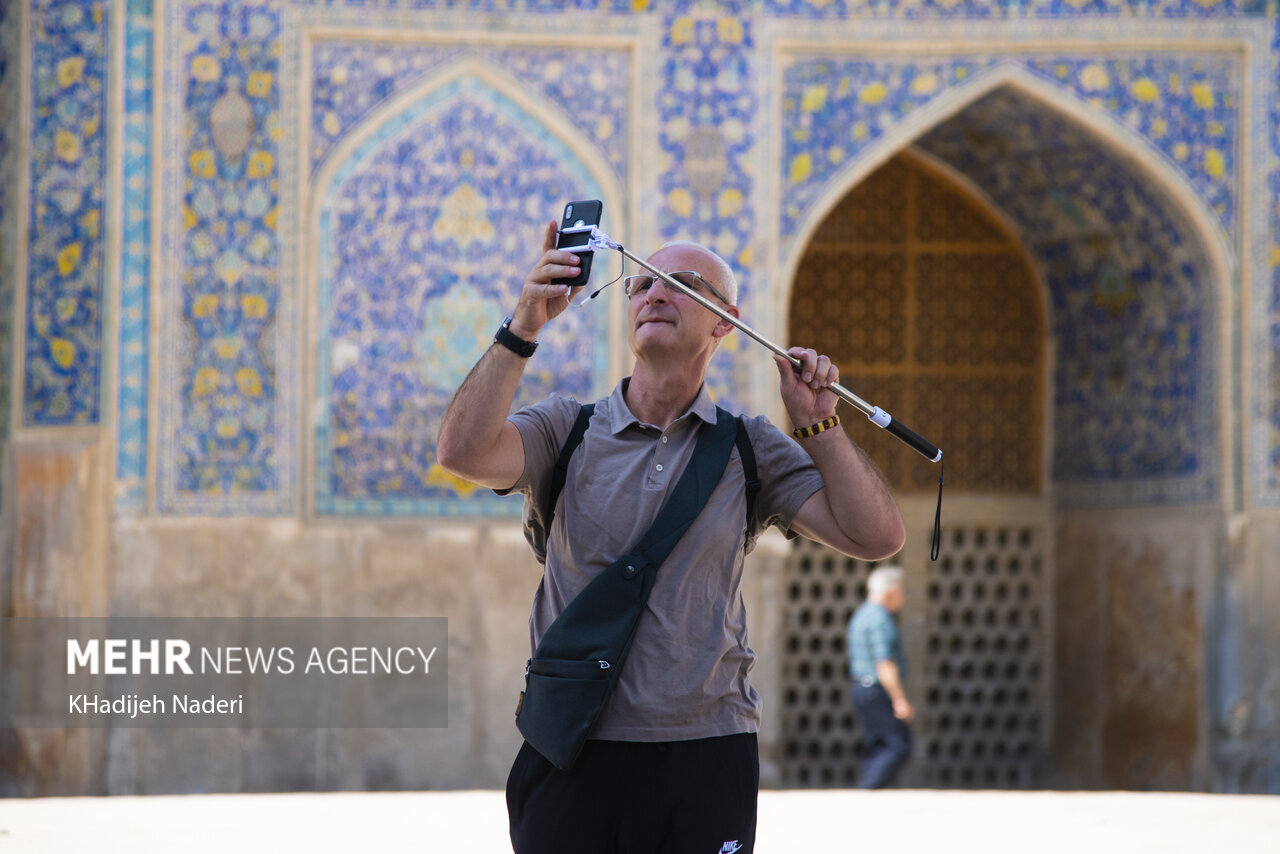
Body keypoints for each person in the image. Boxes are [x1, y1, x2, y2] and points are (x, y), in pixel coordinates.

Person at [437, 219, 905, 854]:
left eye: (680, 284)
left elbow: (875, 536)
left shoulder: (751, 446)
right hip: (573, 746)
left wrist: (819, 425)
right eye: (640, 286)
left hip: (705, 752)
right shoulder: (564, 431)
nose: (653, 295)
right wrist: (522, 328)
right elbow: (461, 452)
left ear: (724, 321)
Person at [847, 564, 913, 789]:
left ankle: (867, 790)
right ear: (891, 591)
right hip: (876, 688)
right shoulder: (879, 618)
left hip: (861, 687)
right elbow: (884, 662)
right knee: (898, 745)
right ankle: (867, 789)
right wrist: (899, 699)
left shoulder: (862, 614)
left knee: (876, 745)